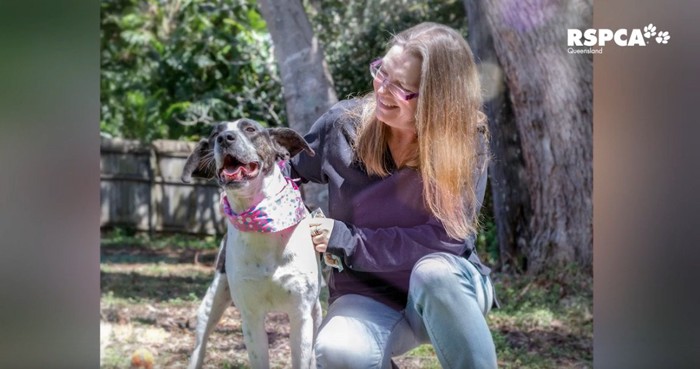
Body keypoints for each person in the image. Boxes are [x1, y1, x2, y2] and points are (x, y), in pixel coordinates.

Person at [286, 22, 498, 369]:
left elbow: (446, 241)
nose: (382, 90)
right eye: (381, 72)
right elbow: (282, 176)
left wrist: (349, 241)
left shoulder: (464, 141)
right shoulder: (343, 126)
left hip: (447, 292)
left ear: (437, 98)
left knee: (433, 274)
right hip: (367, 294)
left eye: (401, 87)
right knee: (338, 351)